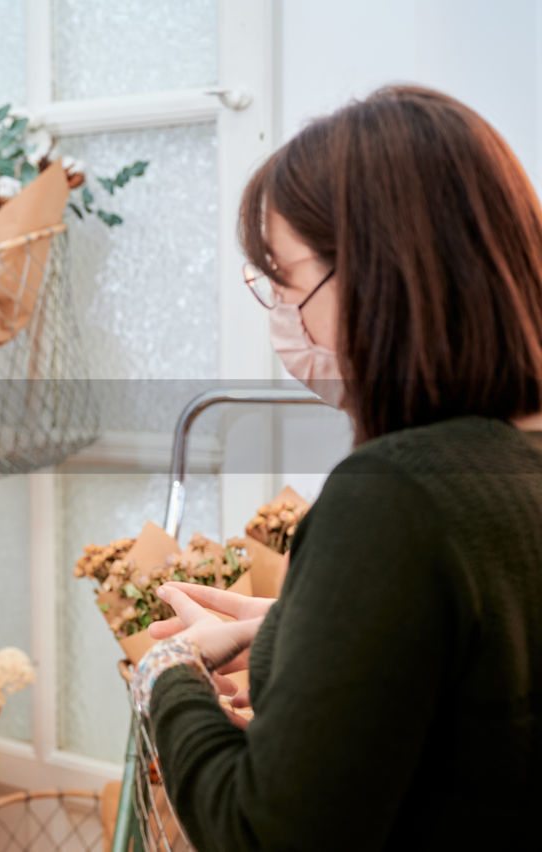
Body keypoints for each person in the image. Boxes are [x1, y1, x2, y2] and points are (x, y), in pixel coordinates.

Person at [132, 86, 542, 850]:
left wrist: (167, 677)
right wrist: (295, 630)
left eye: (285, 279)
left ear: (380, 275)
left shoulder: (394, 496)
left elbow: (261, 829)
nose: (284, 314)